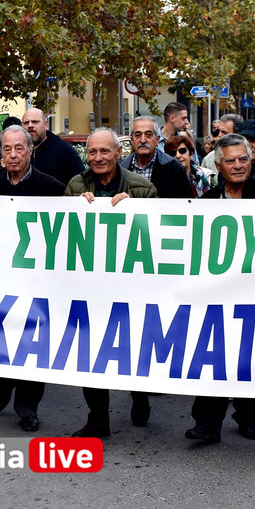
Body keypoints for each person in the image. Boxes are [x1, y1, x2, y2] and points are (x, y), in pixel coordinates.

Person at [0, 125, 65, 428]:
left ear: (31, 151)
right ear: (1, 154)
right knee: (1, 338)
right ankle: (5, 384)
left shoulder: (51, 188)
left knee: (33, 342)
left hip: (36, 281)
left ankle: (27, 408)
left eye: (19, 148)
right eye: (7, 149)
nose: (13, 155)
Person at [185, 133, 255, 444]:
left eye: (243, 159)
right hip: (217, 295)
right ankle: (207, 422)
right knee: (213, 356)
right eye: (230, 160)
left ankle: (249, 415)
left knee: (252, 356)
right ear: (218, 166)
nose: (238, 165)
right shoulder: (206, 203)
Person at [65, 128, 158, 437]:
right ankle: (97, 418)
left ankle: (139, 394)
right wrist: (75, 208)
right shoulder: (75, 186)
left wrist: (137, 210)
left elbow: (160, 236)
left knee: (132, 347)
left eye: (105, 151)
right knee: (89, 351)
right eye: (92, 152)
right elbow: (60, 233)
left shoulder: (142, 188)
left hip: (131, 287)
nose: (98, 158)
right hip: (89, 287)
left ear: (119, 153)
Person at [119, 117, 194, 198]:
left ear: (157, 140)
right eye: (138, 135)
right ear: (132, 141)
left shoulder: (174, 168)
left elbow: (185, 202)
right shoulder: (121, 168)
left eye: (148, 135)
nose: (143, 140)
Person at [23, 107, 85, 185]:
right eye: (26, 123)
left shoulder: (64, 150)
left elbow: (82, 182)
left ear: (46, 124)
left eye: (35, 122)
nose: (30, 125)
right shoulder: (17, 152)